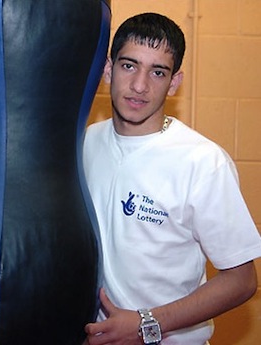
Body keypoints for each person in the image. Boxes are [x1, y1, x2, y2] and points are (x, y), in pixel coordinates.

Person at [83, 12, 261, 345]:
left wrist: (146, 324)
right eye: (129, 66)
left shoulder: (202, 162)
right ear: (108, 70)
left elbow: (241, 280)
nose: (140, 85)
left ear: (174, 82)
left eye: (158, 72)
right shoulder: (85, 143)